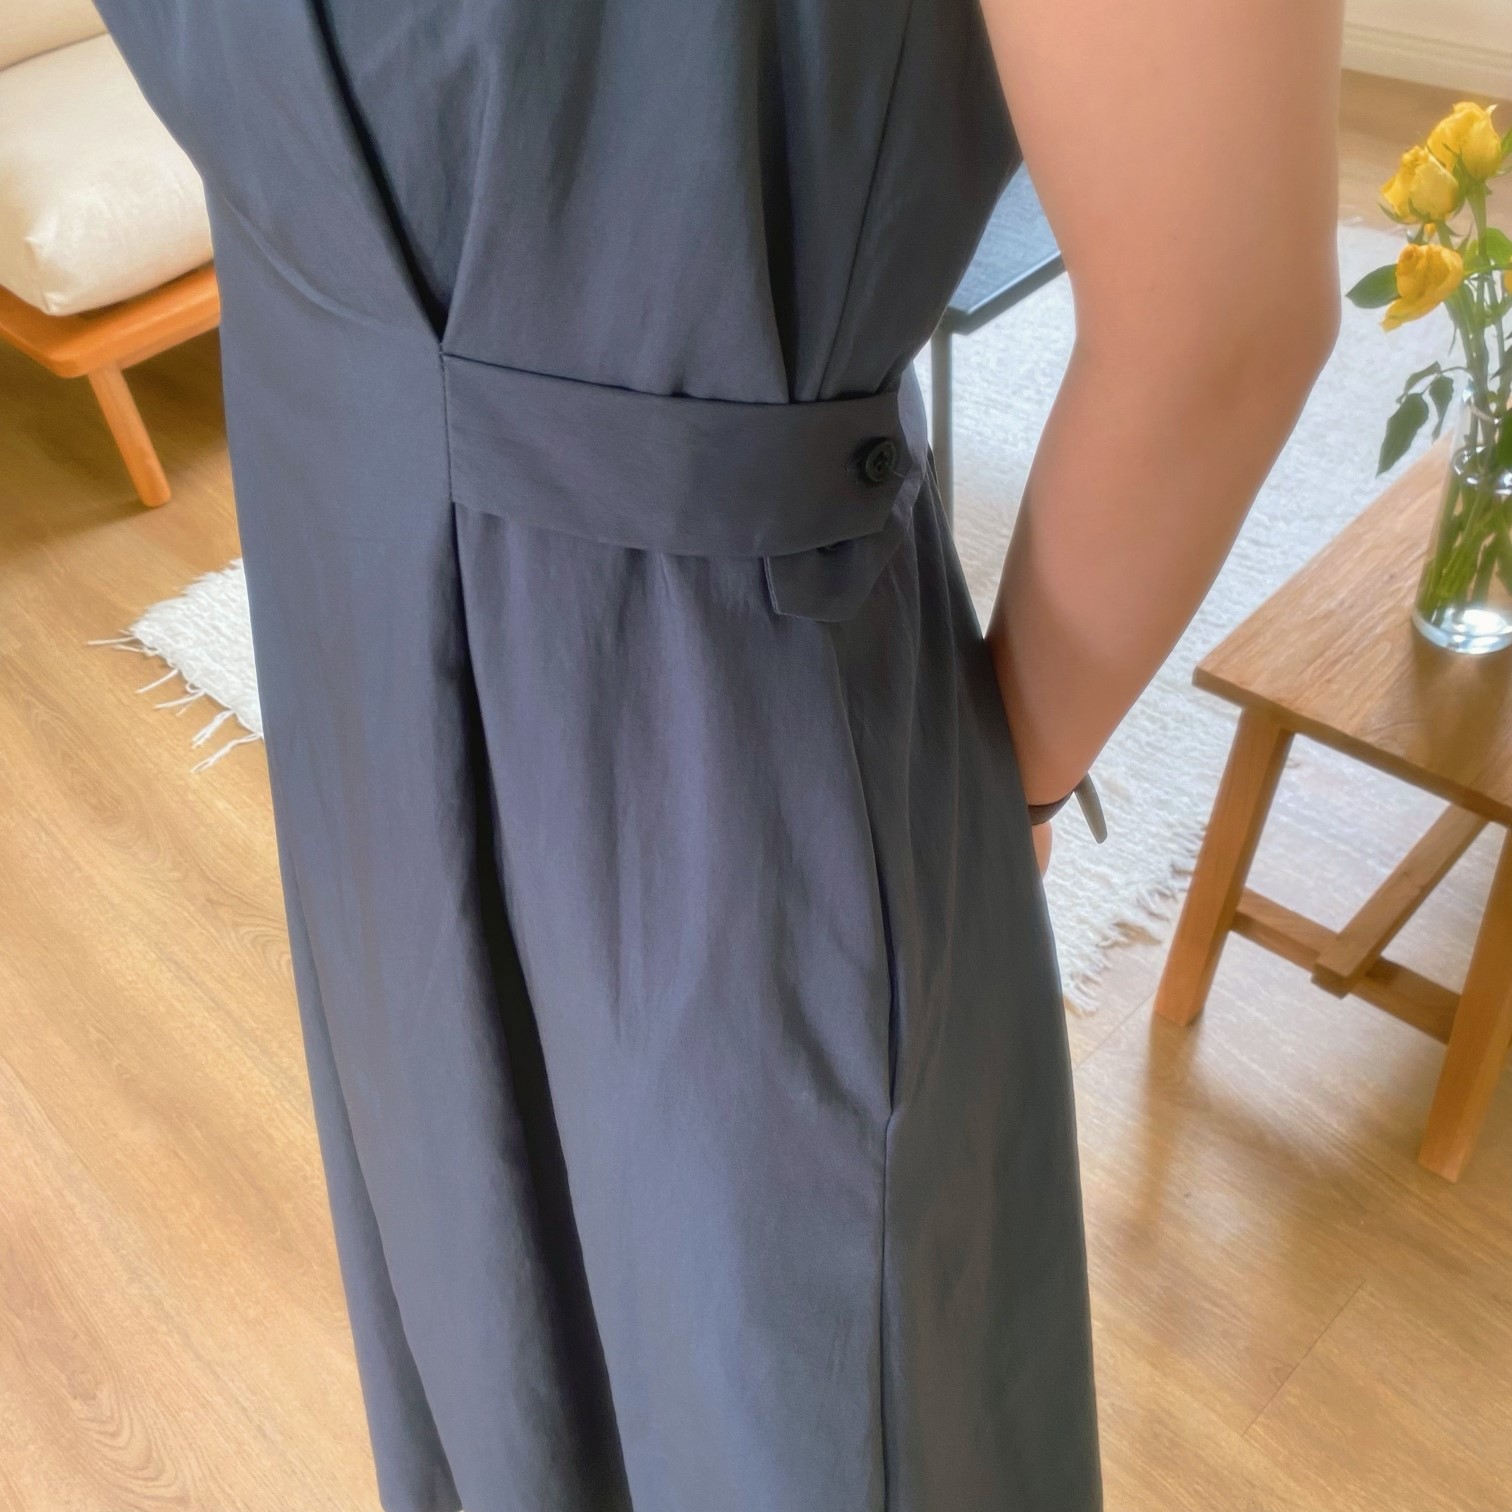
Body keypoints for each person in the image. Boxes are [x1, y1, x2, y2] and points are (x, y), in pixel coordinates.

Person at [95, 1, 1343, 1509]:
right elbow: (1219, 318)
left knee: (781, 1376)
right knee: (489, 1282)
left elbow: (1221, 327)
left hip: (695, 691)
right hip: (357, 619)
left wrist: (995, 778)